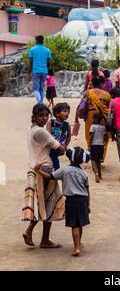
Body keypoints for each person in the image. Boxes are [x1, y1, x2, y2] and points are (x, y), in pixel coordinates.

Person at [21, 104, 65, 249]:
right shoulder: (41, 132)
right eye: (41, 115)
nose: (45, 118)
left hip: (35, 168)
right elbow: (61, 149)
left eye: (47, 115)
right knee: (49, 204)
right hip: (45, 169)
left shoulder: (31, 129)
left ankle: (32, 233)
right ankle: (42, 238)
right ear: (34, 116)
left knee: (42, 204)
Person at [34, 147, 91, 257]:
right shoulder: (84, 173)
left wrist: (38, 170)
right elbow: (87, 190)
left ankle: (76, 248)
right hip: (83, 200)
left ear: (70, 158)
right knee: (80, 225)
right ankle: (79, 243)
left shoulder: (64, 170)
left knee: (74, 225)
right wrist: (88, 205)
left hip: (72, 200)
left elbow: (50, 177)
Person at [85, 77, 111, 155]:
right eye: (104, 84)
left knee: (90, 134)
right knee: (104, 136)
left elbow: (82, 105)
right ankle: (101, 157)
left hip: (90, 116)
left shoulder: (88, 93)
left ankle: (92, 153)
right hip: (103, 118)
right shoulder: (107, 94)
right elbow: (109, 108)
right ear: (101, 84)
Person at [47, 103, 72, 170]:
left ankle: (54, 172)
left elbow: (69, 136)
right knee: (54, 161)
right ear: (57, 114)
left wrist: (65, 145)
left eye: (68, 112)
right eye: (64, 111)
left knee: (54, 159)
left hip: (60, 148)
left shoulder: (67, 125)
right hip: (51, 146)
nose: (67, 113)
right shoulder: (51, 122)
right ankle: (56, 171)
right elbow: (47, 135)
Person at [28, 35, 52, 103]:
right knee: (41, 88)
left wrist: (28, 72)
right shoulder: (47, 50)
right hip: (44, 71)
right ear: (42, 41)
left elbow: (30, 62)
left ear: (37, 41)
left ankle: (39, 102)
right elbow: (49, 62)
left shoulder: (32, 50)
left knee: (36, 88)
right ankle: (41, 102)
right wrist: (46, 69)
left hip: (35, 71)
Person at [89, 113, 107, 183]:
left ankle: (96, 173)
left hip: (94, 145)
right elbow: (105, 137)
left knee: (93, 160)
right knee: (99, 161)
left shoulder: (92, 126)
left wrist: (89, 145)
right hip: (101, 145)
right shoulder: (103, 127)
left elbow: (91, 137)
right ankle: (100, 175)